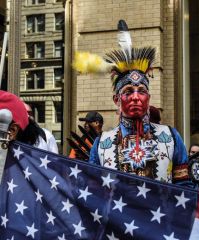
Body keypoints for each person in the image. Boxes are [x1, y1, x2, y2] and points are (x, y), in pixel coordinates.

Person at [73, 25, 191, 185]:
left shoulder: (170, 137)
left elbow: (186, 188)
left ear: (148, 98)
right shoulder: (102, 144)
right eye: (128, 91)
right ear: (117, 100)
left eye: (141, 91)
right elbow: (93, 191)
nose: (136, 97)